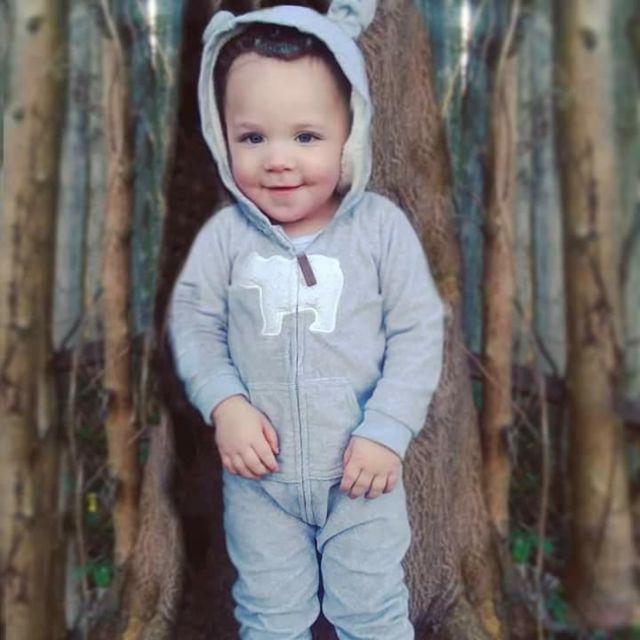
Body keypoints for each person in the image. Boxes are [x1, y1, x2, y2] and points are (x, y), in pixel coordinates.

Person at [169, 3, 444, 638]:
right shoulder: (226, 238)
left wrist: (387, 430)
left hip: (361, 474)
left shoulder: (380, 230)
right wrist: (226, 404)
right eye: (252, 137)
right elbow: (195, 323)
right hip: (259, 481)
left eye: (306, 137)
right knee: (268, 615)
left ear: (351, 134)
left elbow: (418, 332)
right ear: (222, 135)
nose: (278, 159)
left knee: (373, 613)